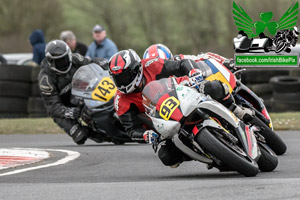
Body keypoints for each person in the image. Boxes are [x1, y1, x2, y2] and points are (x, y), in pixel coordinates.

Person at [108, 49, 246, 168]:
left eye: (125, 77)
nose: (121, 83)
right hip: (164, 122)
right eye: (117, 79)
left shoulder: (151, 64)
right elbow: (132, 129)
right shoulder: (120, 101)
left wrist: (193, 71)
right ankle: (208, 154)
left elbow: (181, 64)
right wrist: (145, 135)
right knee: (167, 157)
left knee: (212, 87)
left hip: (182, 92)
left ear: (136, 70)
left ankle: (235, 109)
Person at [38, 40, 108, 145]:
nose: (63, 63)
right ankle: (93, 133)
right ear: (51, 61)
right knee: (80, 136)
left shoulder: (75, 58)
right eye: (59, 61)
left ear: (69, 55)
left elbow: (90, 63)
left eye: (65, 59)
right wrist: (68, 111)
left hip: (81, 93)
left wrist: (101, 62)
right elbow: (52, 107)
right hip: (63, 107)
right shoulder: (46, 79)